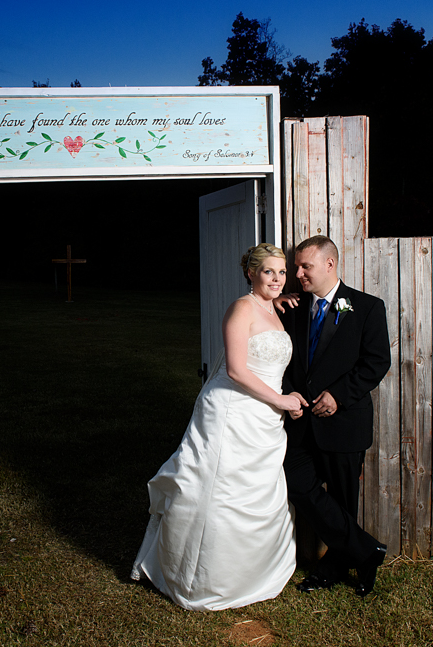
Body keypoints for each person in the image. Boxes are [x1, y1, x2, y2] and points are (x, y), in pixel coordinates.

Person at [131, 243, 308, 611]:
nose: (276, 279)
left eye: (281, 272)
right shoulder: (240, 309)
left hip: (263, 419)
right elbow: (236, 370)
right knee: (219, 490)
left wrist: (275, 300)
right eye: (268, 272)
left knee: (256, 489)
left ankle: (250, 572)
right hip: (233, 412)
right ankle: (198, 579)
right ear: (251, 273)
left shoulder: (270, 307)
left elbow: (266, 338)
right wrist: (282, 400)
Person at [278, 236, 392, 597]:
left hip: (344, 425)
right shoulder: (293, 307)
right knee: (295, 484)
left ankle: (334, 564)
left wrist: (338, 396)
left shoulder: (367, 307)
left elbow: (377, 361)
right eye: (296, 267)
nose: (298, 274)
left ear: (330, 264)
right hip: (300, 425)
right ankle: (365, 551)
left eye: (304, 267)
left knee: (344, 500)